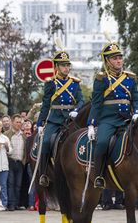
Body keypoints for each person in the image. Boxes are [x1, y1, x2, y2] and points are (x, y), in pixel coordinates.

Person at [87, 36, 138, 188]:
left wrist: (137, 112)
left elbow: (136, 99)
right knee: (102, 143)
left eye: (120, 58)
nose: (119, 61)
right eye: (115, 58)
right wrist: (91, 124)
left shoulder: (130, 78)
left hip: (127, 119)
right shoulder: (101, 79)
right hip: (108, 120)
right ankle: (98, 175)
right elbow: (96, 104)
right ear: (107, 61)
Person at [36, 43, 84, 187]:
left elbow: (81, 99)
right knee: (45, 142)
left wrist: (77, 109)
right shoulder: (51, 84)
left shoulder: (75, 83)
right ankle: (43, 173)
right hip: (55, 119)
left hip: (70, 119)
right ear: (56, 67)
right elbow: (45, 104)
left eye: (68, 65)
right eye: (63, 65)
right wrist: (40, 123)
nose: (66, 68)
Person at [5, 114, 26, 211]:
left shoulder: (23, 135)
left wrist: (24, 161)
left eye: (20, 122)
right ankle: (11, 204)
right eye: (17, 122)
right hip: (10, 161)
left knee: (18, 185)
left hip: (20, 162)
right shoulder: (6, 134)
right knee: (11, 183)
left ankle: (17, 204)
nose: (19, 124)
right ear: (12, 122)